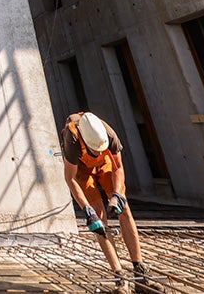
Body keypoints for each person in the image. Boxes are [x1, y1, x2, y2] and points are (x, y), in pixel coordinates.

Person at [62, 111, 155, 292]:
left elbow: (118, 167)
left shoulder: (109, 135)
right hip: (82, 170)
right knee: (99, 217)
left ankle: (140, 270)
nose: (96, 151)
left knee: (124, 209)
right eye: (94, 149)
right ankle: (120, 276)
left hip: (106, 164)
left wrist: (118, 195)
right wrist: (86, 210)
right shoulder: (72, 138)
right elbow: (70, 178)